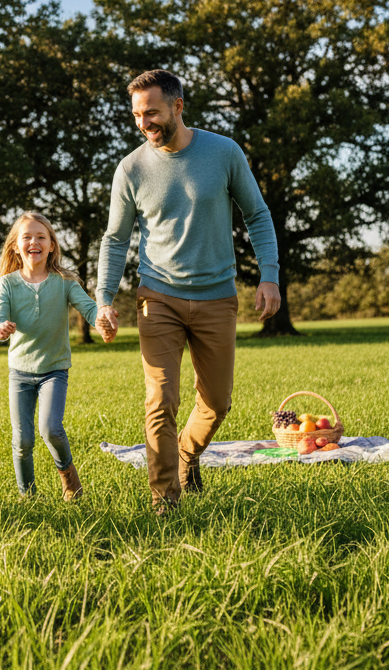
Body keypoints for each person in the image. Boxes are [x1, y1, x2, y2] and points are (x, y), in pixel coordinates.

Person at [96, 70, 280, 514]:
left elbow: (256, 214)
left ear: (178, 106)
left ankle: (185, 454)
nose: (144, 123)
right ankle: (165, 500)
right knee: (160, 400)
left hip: (217, 296)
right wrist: (104, 297)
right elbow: (115, 239)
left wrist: (269, 274)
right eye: (137, 115)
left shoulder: (223, 152)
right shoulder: (132, 169)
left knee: (217, 402)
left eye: (152, 112)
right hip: (157, 297)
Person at [0, 212, 104, 501]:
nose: (34, 241)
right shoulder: (7, 284)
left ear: (52, 245)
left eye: (41, 236)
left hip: (54, 369)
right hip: (20, 372)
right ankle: (27, 496)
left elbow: (89, 309)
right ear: (15, 246)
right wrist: (1, 328)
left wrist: (101, 318)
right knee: (22, 440)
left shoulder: (64, 281)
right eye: (26, 236)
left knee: (51, 428)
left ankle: (69, 477)